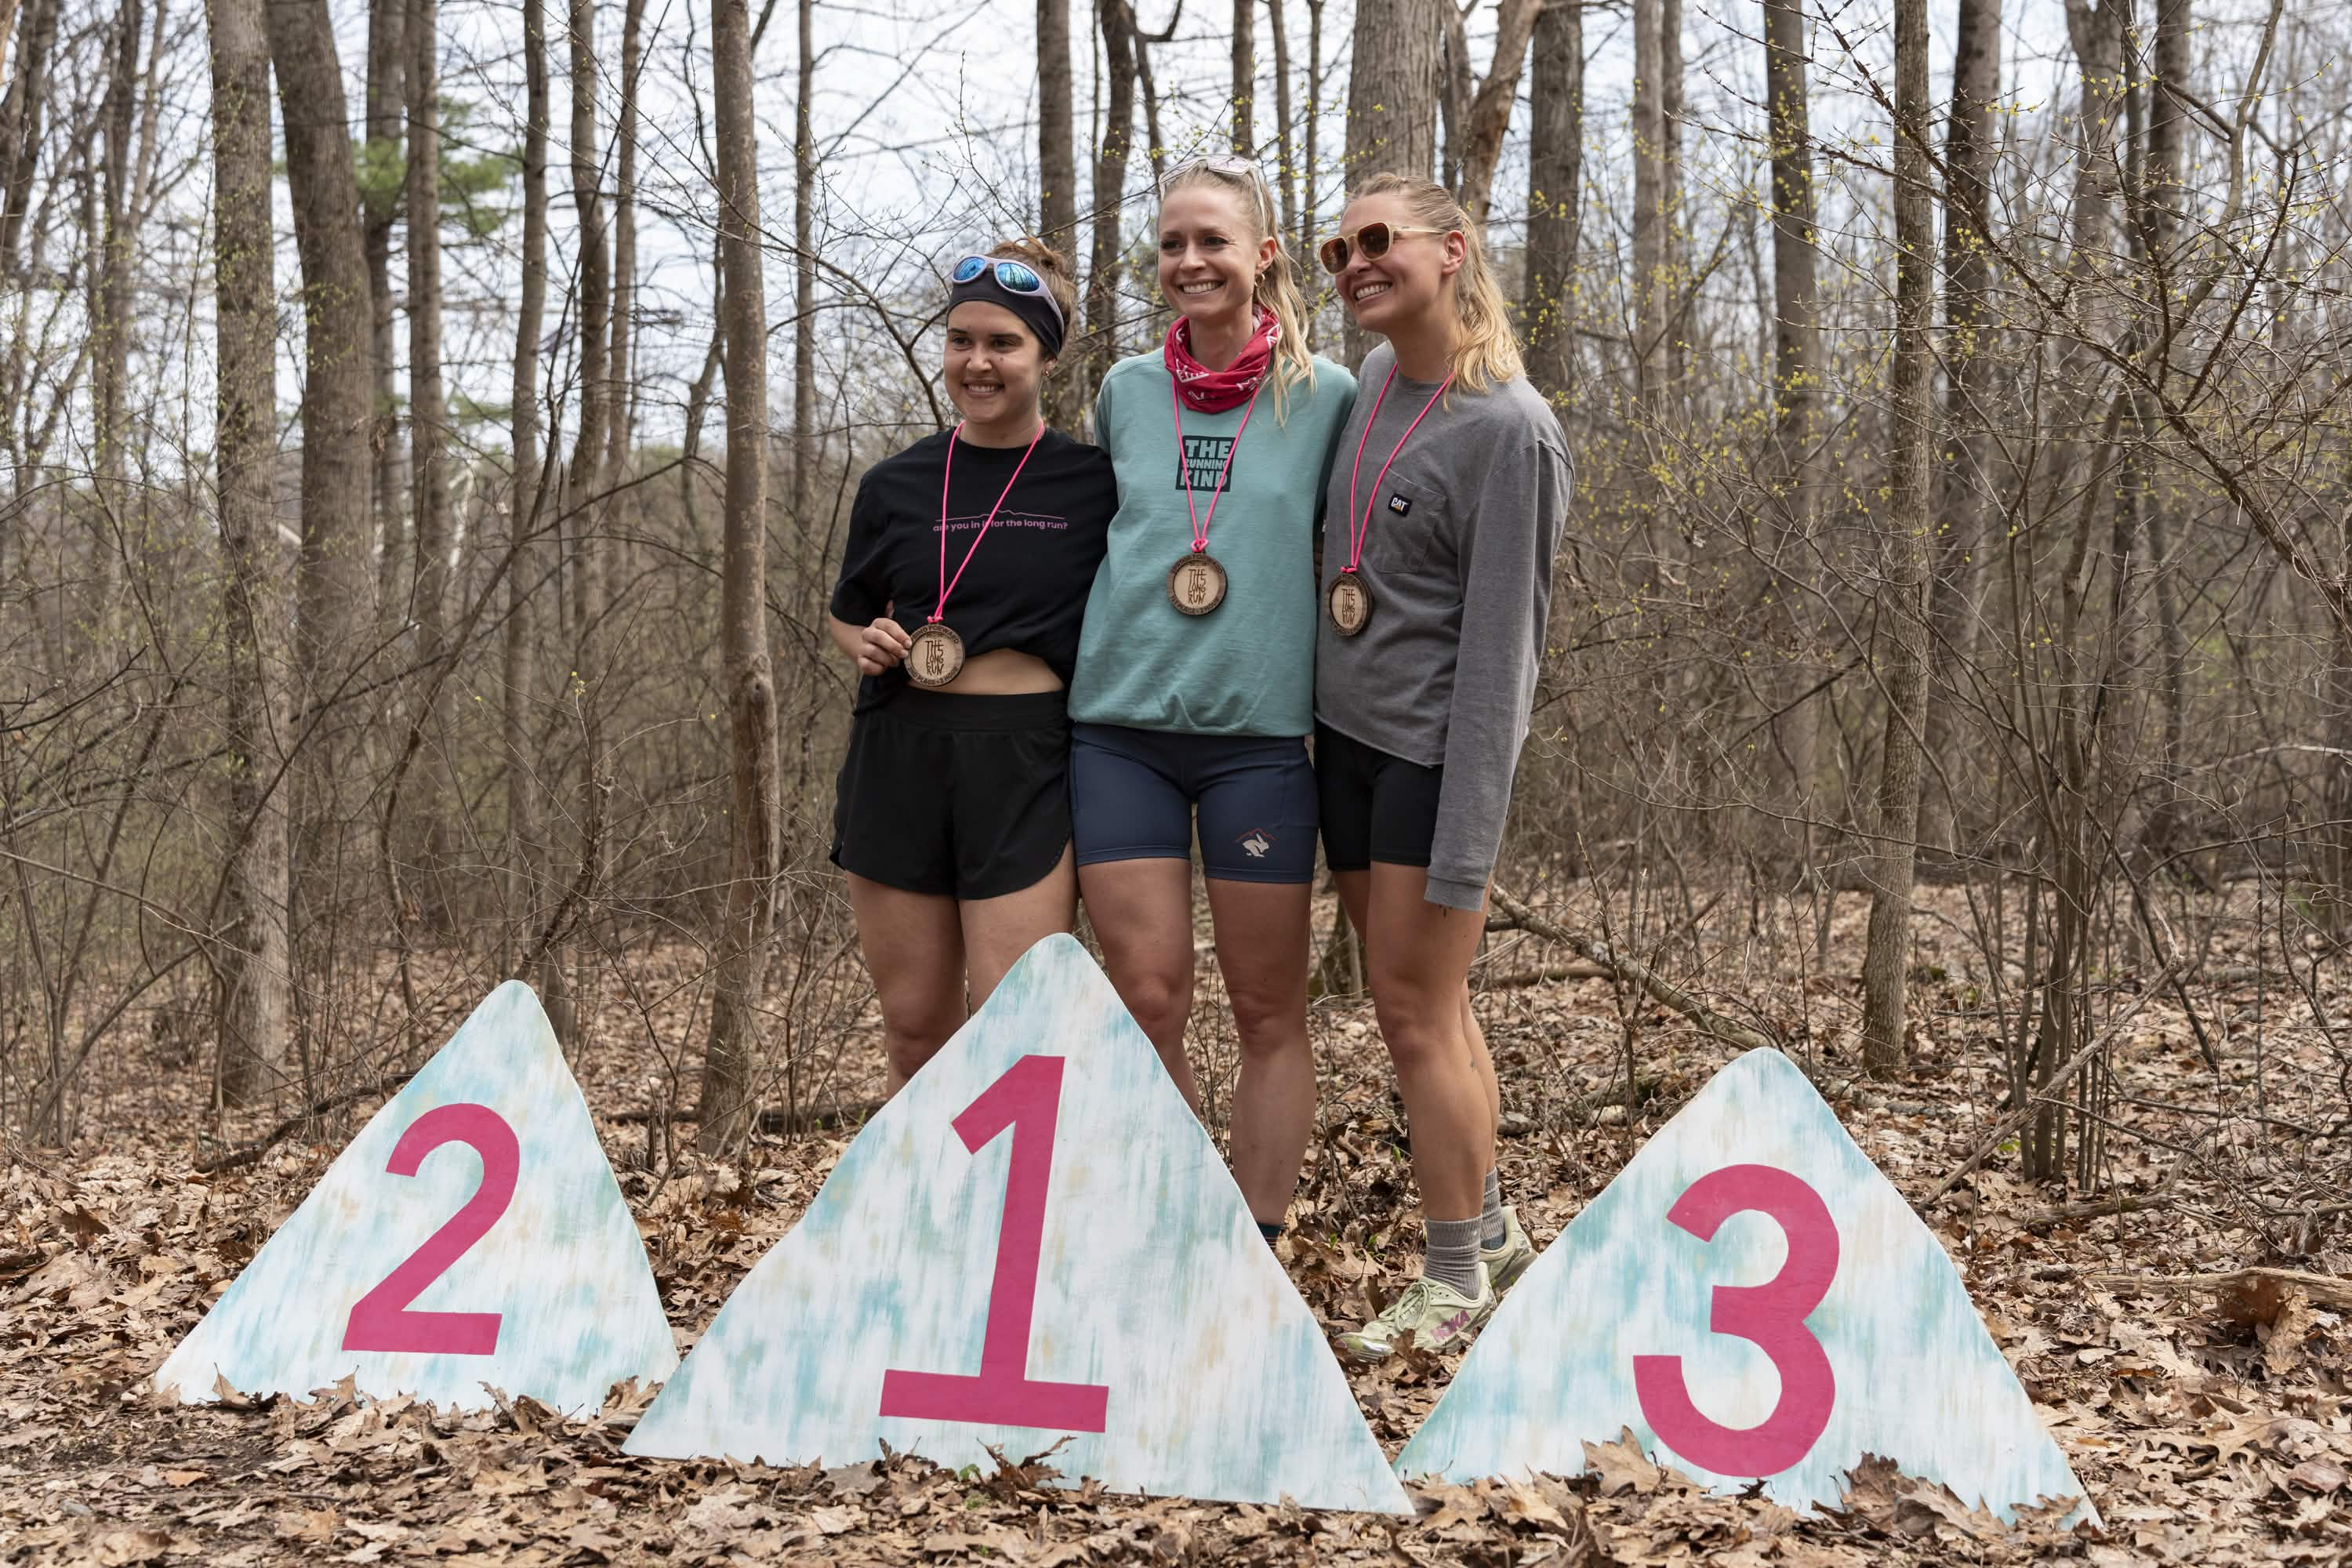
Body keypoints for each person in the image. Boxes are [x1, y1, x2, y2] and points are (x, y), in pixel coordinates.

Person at [1067, 156, 1358, 1243]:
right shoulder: (1125, 391)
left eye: (1213, 242)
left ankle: (1258, 1250)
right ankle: (1184, 1236)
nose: (1190, 261)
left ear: (1263, 255)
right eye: (1172, 244)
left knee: (1267, 1009)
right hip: (1120, 731)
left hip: (1258, 743)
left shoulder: (1327, 398)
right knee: (1148, 1000)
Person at [1312, 174, 1570, 1359]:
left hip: (1431, 762)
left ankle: (1453, 1275)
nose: (1357, 263)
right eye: (1338, 249)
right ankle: (1496, 1232)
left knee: (1415, 1016)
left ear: (1453, 250)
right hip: (1347, 749)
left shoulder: (1512, 430)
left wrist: (1467, 841)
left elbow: (1504, 659)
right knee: (1430, 1007)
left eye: (1379, 240)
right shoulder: (1373, 378)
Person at [828, 239, 1116, 1091]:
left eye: (1003, 343)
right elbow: (848, 612)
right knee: (915, 1029)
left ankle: (1014, 1186)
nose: (977, 362)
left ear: (1048, 358)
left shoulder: (1095, 485)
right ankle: (925, 1182)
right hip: (899, 755)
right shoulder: (895, 484)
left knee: (1014, 1030)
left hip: (1024, 761)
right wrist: (864, 642)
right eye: (961, 341)